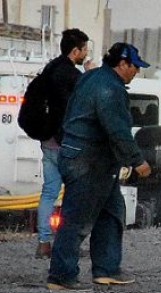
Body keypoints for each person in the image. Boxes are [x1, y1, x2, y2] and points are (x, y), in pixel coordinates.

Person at [47, 43, 152, 291]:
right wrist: (138, 161)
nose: (137, 71)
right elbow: (116, 130)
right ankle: (61, 276)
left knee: (112, 212)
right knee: (77, 220)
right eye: (135, 66)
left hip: (87, 158)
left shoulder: (92, 77)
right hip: (90, 161)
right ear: (122, 64)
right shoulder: (110, 89)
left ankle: (106, 270)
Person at [35, 28, 94, 259]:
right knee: (73, 193)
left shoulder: (50, 69)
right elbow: (85, 97)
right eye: (85, 50)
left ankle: (43, 242)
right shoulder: (72, 75)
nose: (86, 55)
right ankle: (67, 243)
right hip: (66, 143)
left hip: (47, 140)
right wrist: (88, 73)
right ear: (75, 51)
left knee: (49, 192)